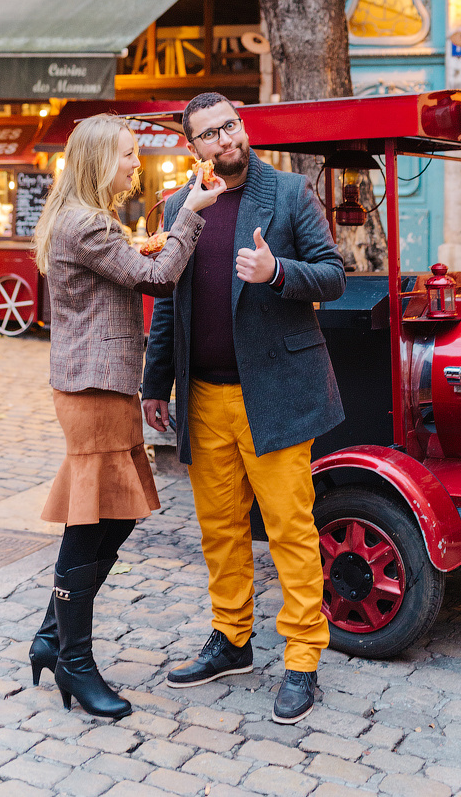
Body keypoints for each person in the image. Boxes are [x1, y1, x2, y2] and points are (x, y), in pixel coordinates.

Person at [143, 91, 346, 725]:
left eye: (231, 126)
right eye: (209, 133)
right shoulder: (181, 206)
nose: (225, 139)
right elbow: (169, 305)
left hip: (276, 393)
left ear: (243, 128)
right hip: (202, 395)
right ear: (193, 145)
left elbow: (334, 273)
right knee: (220, 530)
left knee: (289, 529)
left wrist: (276, 271)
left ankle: (303, 659)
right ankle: (231, 641)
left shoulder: (286, 193)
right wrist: (155, 385)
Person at [29, 113, 225, 719]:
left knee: (113, 518)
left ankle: (51, 635)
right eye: (126, 155)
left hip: (102, 387)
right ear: (96, 162)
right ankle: (75, 661)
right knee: (91, 524)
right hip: (94, 390)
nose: (135, 163)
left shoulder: (87, 219)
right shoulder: (86, 223)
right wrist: (190, 210)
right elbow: (156, 277)